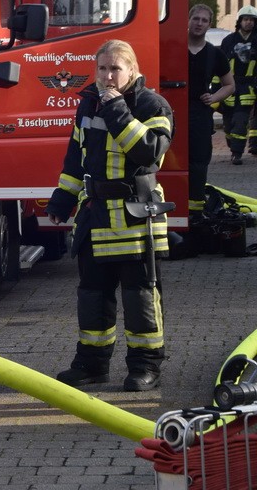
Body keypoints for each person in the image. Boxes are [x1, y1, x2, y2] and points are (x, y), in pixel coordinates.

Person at [46, 40, 173, 392]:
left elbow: (148, 152)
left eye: (116, 68)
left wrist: (117, 107)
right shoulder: (88, 102)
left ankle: (145, 366)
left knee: (140, 297)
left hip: (135, 215)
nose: (108, 76)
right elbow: (76, 157)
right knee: (92, 296)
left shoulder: (152, 104)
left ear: (132, 69)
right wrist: (61, 200)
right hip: (95, 215)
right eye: (102, 69)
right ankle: (91, 365)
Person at [186, 4, 233, 215]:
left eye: (204, 20)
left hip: (200, 115)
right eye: (196, 19)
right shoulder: (172, 46)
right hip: (171, 112)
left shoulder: (215, 54)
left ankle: (195, 211)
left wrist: (214, 97)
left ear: (209, 24)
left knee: (198, 164)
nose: (199, 23)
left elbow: (230, 85)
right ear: (188, 20)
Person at [217, 6, 257, 164]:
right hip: (229, 87)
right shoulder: (228, 41)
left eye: (252, 20)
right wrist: (215, 87)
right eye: (245, 19)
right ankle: (232, 143)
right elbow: (219, 65)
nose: (248, 23)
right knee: (228, 123)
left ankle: (237, 153)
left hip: (248, 87)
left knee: (240, 120)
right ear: (239, 21)